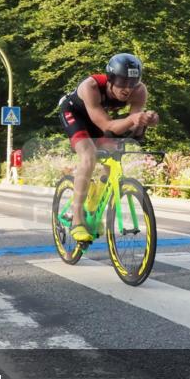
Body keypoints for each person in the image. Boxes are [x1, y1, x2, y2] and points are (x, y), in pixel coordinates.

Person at [58, 53, 159, 243]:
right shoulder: (91, 87)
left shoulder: (139, 91)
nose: (127, 89)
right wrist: (132, 119)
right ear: (111, 79)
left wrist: (145, 121)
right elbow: (107, 126)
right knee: (88, 156)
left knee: (114, 154)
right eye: (122, 82)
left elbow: (133, 128)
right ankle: (77, 220)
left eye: (132, 83)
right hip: (74, 114)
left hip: (98, 116)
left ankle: (93, 206)